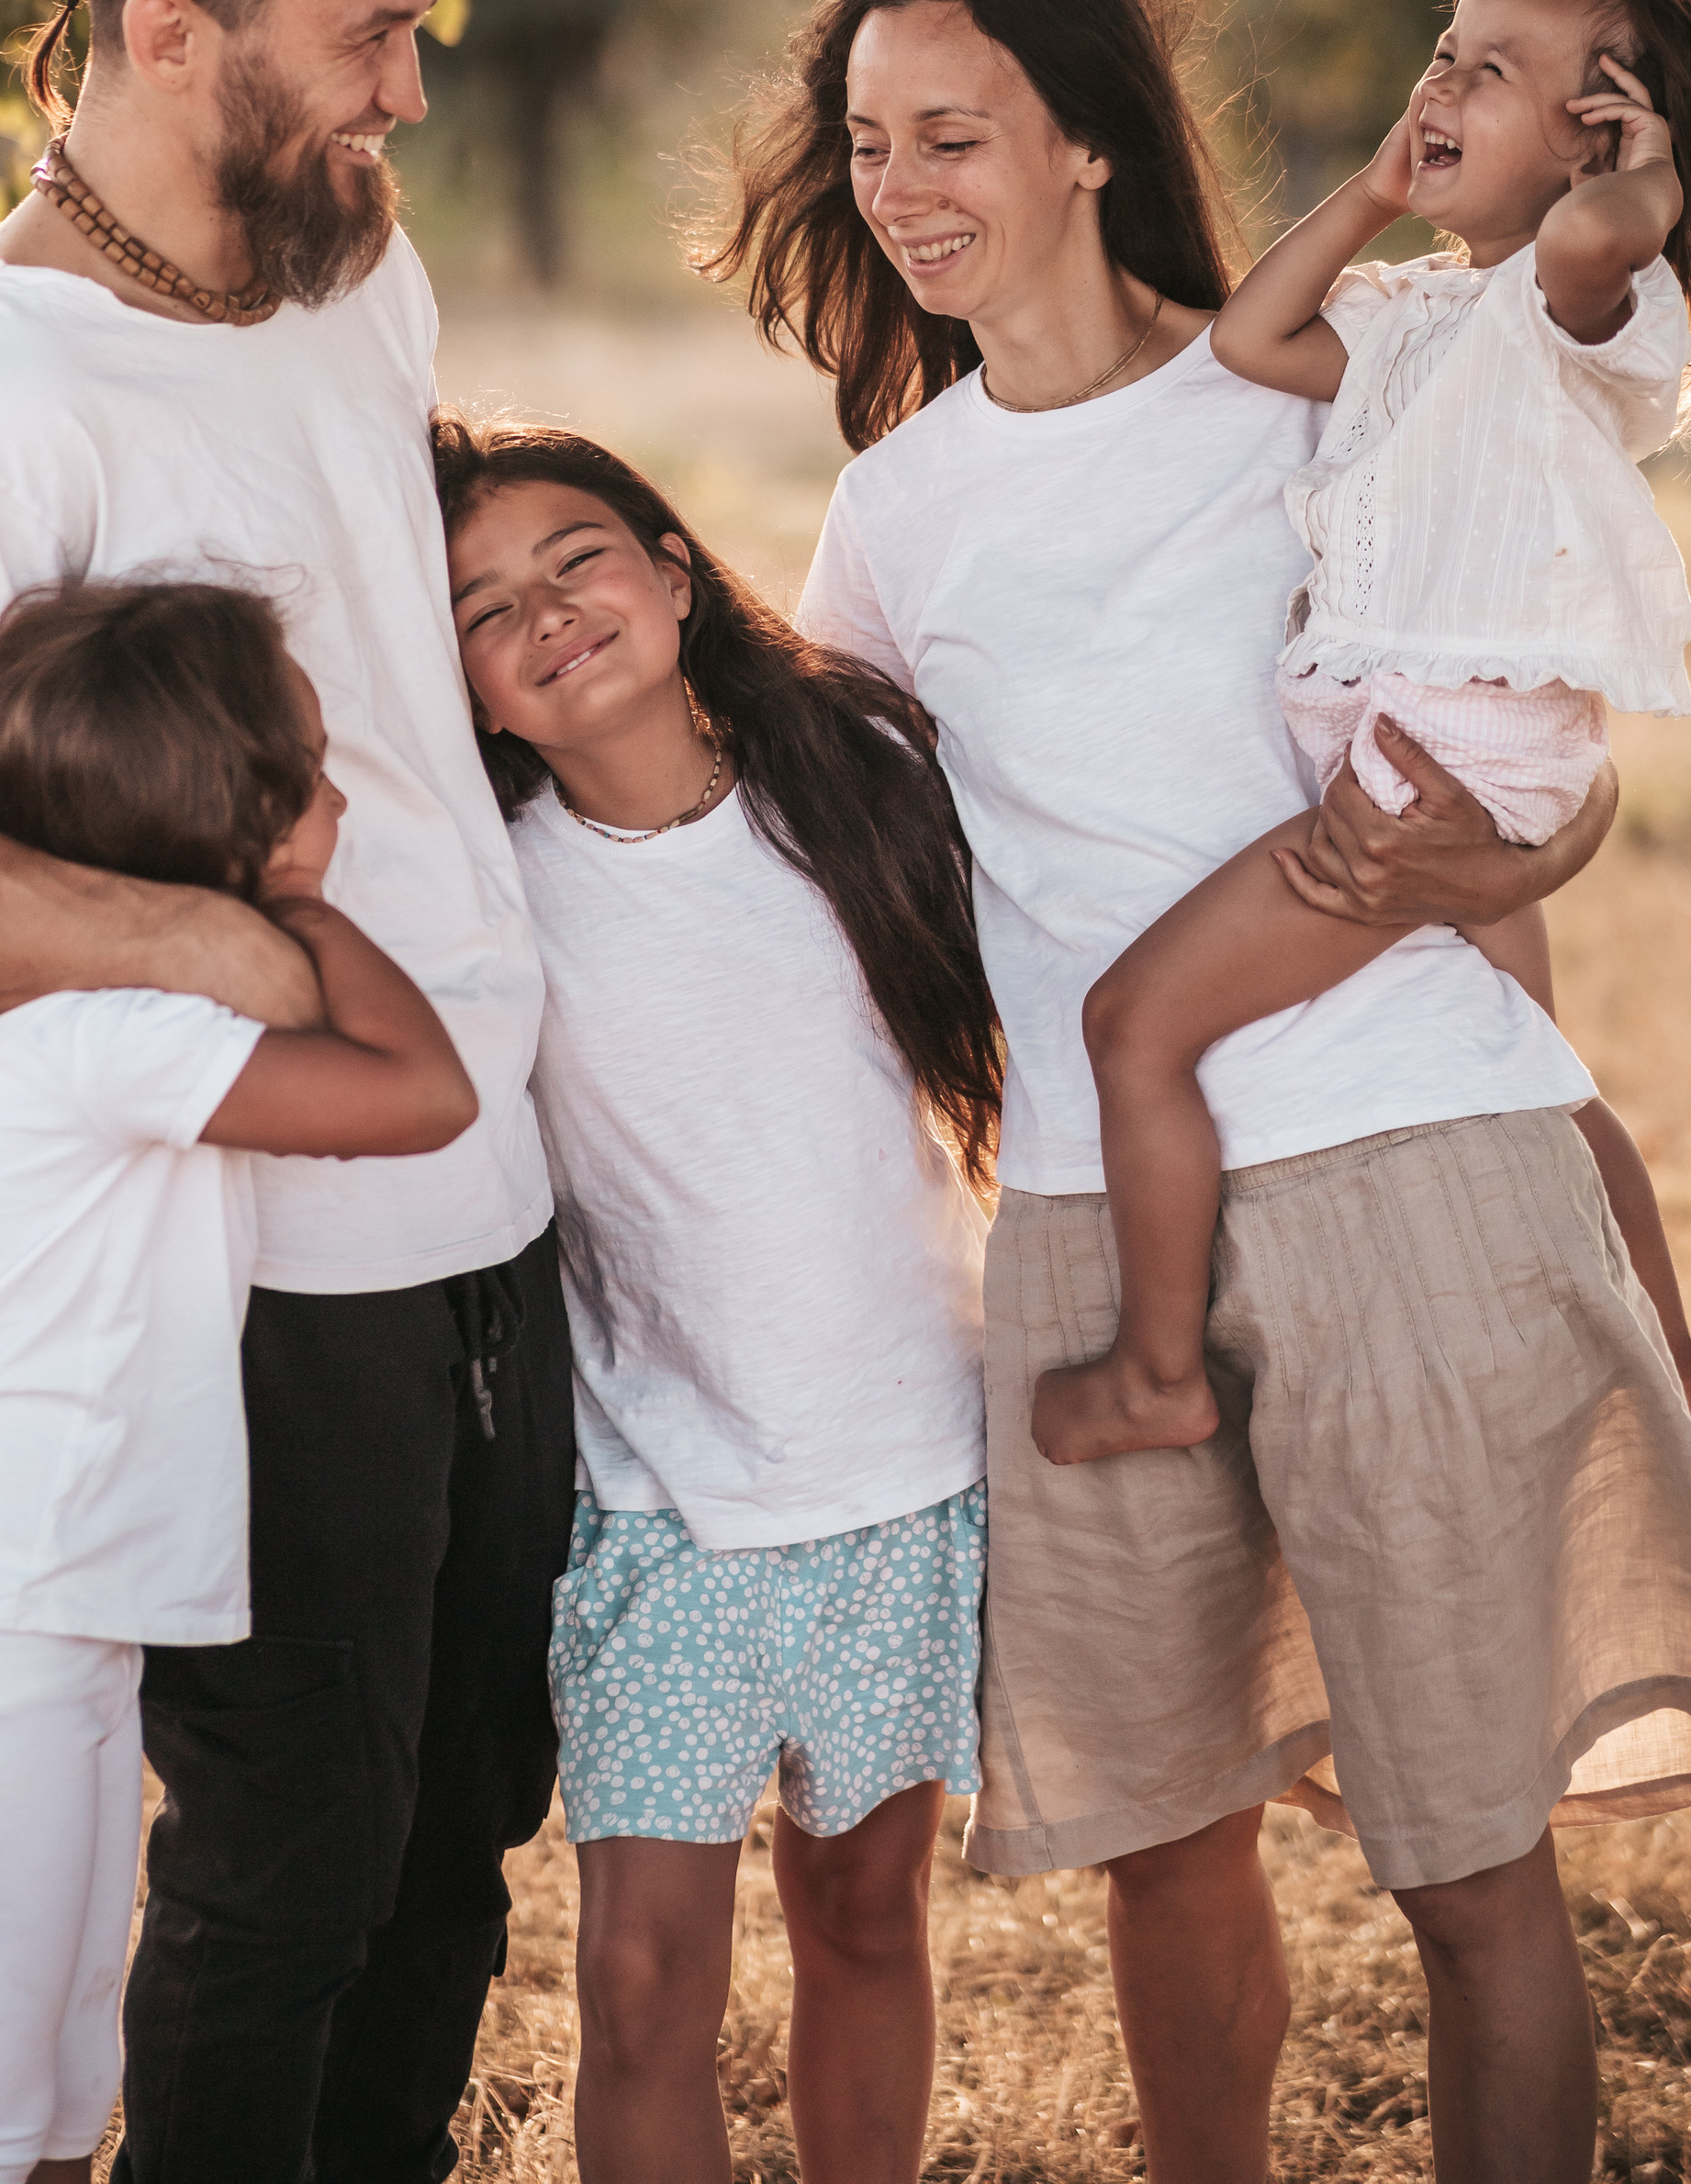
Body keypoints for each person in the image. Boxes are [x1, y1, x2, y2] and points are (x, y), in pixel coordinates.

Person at [711, 0, 1691, 2184]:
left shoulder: (1330, 384)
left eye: (953, 133)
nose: (900, 187)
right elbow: (827, 866)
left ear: (1086, 144)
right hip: (1081, 1212)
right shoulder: (893, 514)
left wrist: (1550, 841)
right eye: (865, 142)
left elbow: (1509, 686)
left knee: (1459, 1856)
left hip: (1394, 1158)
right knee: (1163, 1838)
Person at [0, 0, 575, 2184]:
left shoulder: (350, 269)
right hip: (272, 1259)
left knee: (457, 1841)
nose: (407, 93)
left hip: (497, 1207)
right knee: (289, 1875)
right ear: (163, 30)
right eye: (365, 37)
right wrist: (226, 946)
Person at [1034, 0, 1691, 1467]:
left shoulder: (1572, 310)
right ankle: (1679, 1358)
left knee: (1135, 1024)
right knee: (1539, 1070)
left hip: (1434, 757)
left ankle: (1155, 1369)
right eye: (1446, 49)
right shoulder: (1426, 316)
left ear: (1597, 140)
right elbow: (1250, 340)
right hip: (1462, 748)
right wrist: (1372, 192)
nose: (1442, 82)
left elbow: (1595, 240)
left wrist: (1642, 173)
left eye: (1494, 72)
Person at [0, 578, 477, 2184]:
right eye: (306, 776)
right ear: (221, 818)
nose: (339, 800)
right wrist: (294, 905)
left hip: (50, 1629)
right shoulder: (104, 1035)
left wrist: (254, 892)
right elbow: (422, 1094)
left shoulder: (107, 1019)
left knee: (61, 2104)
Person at [431, 414, 1001, 2184]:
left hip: (903, 1472)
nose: (547, 614)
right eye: (484, 609)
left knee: (864, 1913)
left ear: (675, 576)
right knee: (638, 1973)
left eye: (578, 560)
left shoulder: (855, 783)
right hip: (663, 1500)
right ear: (468, 692)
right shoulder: (487, 886)